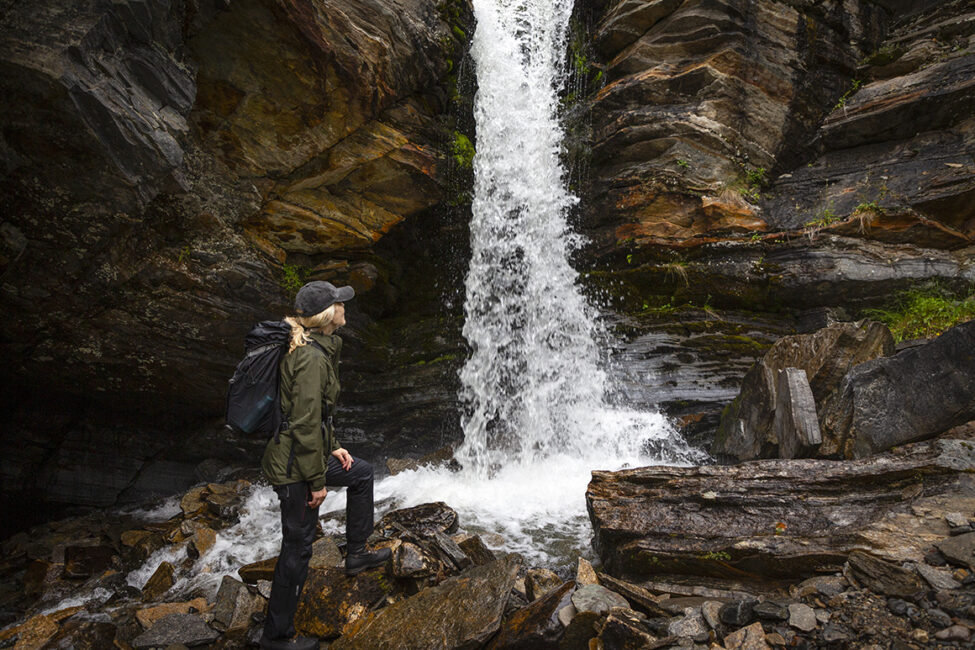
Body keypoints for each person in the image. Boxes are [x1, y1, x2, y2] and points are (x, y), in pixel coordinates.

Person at [259, 281, 391, 650]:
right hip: (295, 466)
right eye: (339, 303)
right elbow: (301, 424)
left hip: (308, 456)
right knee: (297, 547)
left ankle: (357, 554)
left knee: (360, 473)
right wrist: (318, 482)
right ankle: (276, 638)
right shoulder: (311, 359)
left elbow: (314, 416)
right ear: (328, 314)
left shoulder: (317, 348)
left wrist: (333, 447)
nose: (345, 307)